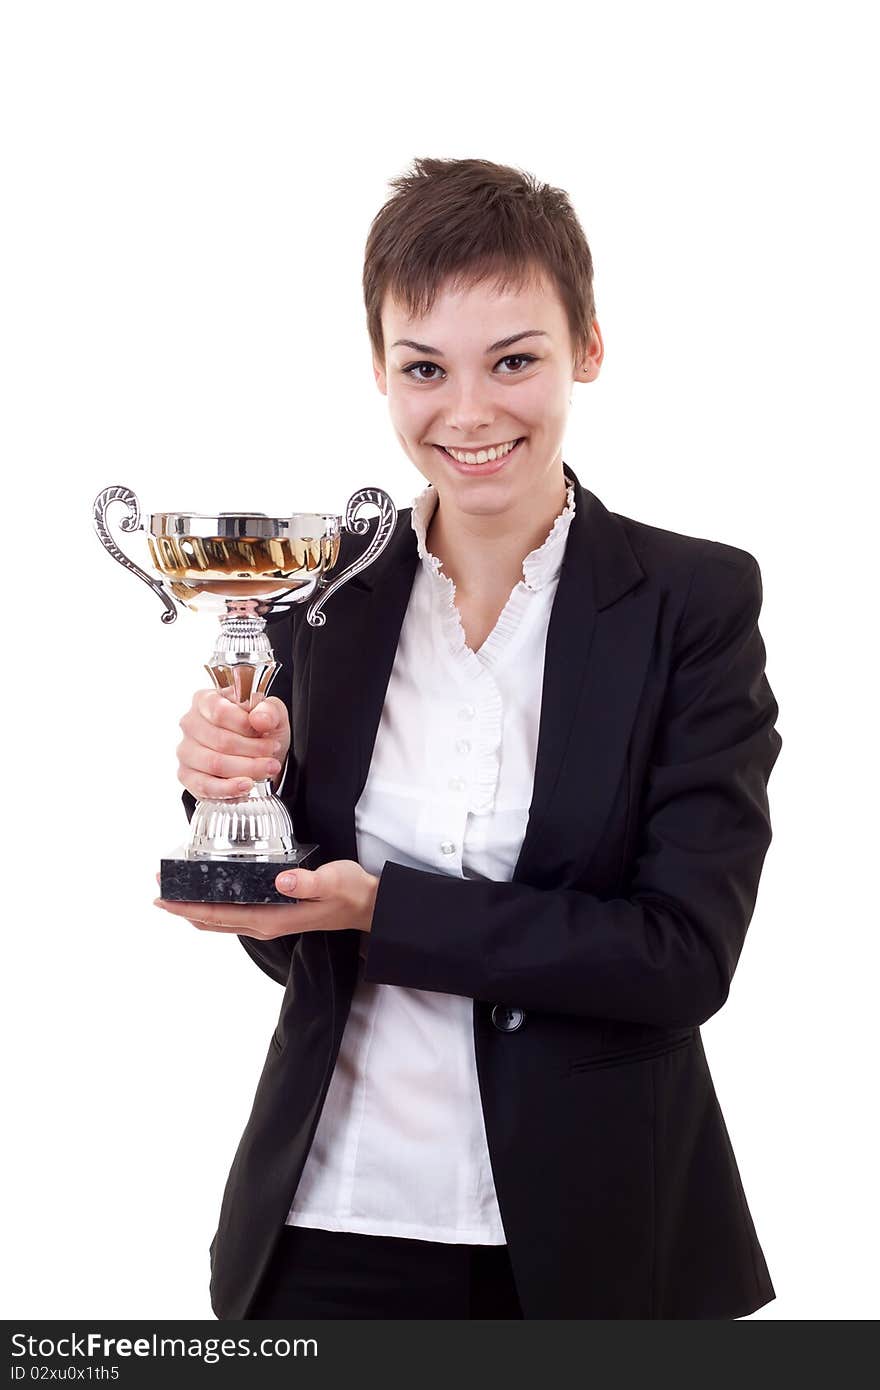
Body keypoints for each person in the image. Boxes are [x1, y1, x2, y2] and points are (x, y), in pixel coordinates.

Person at [157, 156, 783, 1319]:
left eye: (515, 359)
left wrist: (383, 909)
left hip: (598, 1241)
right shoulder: (314, 604)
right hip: (324, 1229)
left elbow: (682, 956)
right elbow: (290, 949)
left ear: (587, 346)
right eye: (424, 368)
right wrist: (226, 808)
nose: (469, 411)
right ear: (381, 372)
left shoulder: (690, 604)